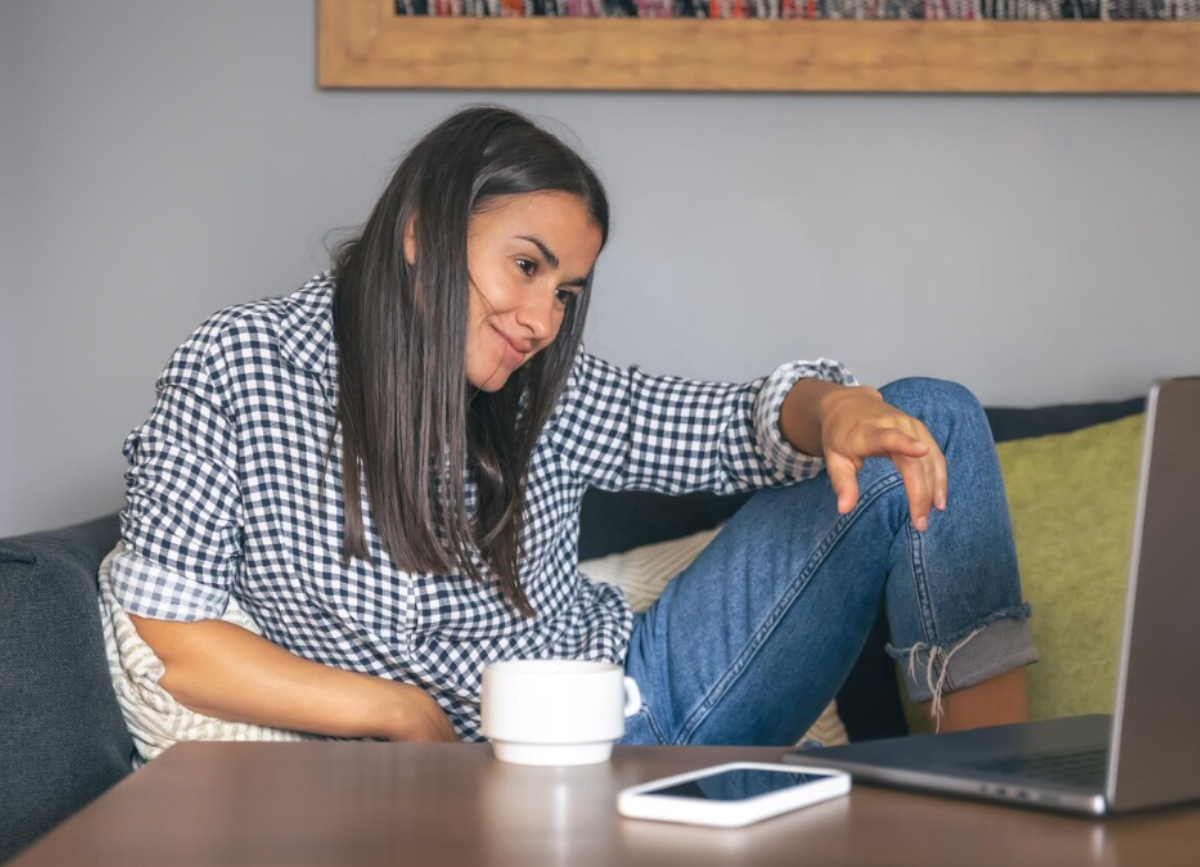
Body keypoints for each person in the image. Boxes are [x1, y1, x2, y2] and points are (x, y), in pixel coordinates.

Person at [113, 105, 1037, 749]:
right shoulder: (238, 364)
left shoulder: (542, 388)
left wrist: (832, 405)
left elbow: (728, 424)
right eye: (525, 265)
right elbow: (175, 634)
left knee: (933, 414)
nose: (543, 319)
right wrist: (391, 711)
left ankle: (1009, 802)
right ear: (421, 230)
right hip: (491, 784)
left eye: (565, 291)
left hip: (656, 699)